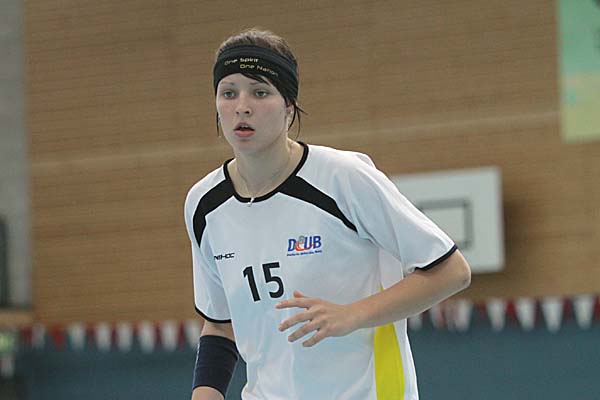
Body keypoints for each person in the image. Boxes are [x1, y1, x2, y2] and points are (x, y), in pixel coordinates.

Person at [184, 28, 471, 400]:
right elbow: (220, 325)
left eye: (260, 92)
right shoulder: (204, 204)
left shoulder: (343, 178)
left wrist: (352, 314)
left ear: (289, 107)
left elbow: (452, 271)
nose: (242, 106)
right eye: (229, 93)